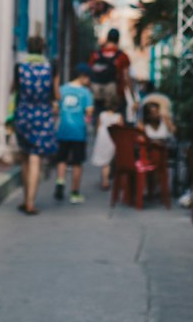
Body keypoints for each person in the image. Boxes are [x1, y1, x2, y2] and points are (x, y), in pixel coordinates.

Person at [11, 35, 59, 215]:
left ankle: (25, 199)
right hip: (42, 115)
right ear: (43, 49)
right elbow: (56, 94)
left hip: (23, 114)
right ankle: (31, 202)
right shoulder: (51, 68)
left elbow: (13, 90)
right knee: (35, 157)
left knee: (25, 156)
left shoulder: (20, 67)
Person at [54, 67, 94, 204]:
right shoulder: (85, 92)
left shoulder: (62, 89)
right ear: (83, 76)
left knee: (62, 159)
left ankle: (60, 182)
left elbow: (55, 107)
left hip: (63, 129)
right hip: (78, 131)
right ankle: (75, 192)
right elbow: (89, 111)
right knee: (77, 162)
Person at [88, 28, 132, 117]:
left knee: (99, 122)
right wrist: (133, 97)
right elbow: (126, 78)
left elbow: (89, 74)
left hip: (98, 95)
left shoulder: (95, 55)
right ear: (118, 40)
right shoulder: (122, 57)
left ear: (107, 38)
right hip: (116, 98)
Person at [91, 97, 125, 192]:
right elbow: (121, 129)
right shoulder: (118, 116)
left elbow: (98, 127)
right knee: (112, 159)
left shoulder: (102, 115)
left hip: (102, 137)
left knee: (105, 163)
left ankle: (105, 181)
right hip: (113, 138)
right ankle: (112, 179)